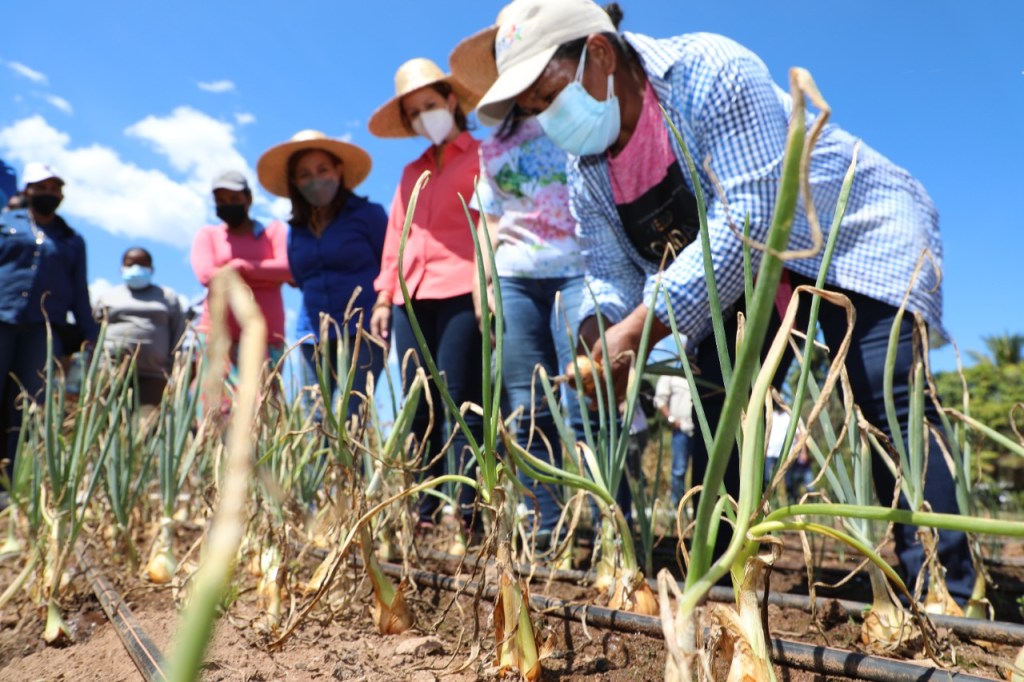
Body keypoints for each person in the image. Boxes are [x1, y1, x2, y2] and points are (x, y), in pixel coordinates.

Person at [473, 0, 974, 601]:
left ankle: (945, 588)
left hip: (849, 238)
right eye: (533, 109)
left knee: (884, 395)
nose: (545, 118)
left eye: (548, 95)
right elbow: (607, 273)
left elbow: (749, 220)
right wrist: (597, 332)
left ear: (599, 53)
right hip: (737, 279)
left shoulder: (707, 71)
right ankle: (728, 577)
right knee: (721, 410)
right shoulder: (588, 172)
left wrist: (637, 331)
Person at [449, 15, 597, 542]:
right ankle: (546, 531)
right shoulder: (493, 145)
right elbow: (488, 223)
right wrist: (483, 286)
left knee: (587, 398)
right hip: (514, 278)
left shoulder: (584, 120)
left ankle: (609, 528)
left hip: (579, 274)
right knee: (526, 404)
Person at [367, 58, 483, 529]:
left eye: (429, 105)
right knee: (417, 402)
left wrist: (486, 284)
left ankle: (469, 508)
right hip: (409, 298)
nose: (423, 117)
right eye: (414, 113)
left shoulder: (482, 157)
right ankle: (425, 508)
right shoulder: (410, 171)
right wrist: (383, 296)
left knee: (460, 399)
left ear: (451, 101)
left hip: (462, 289)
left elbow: (490, 222)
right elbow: (397, 235)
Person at [257, 130, 386, 420]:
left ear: (338, 170)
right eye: (304, 174)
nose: (315, 179)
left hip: (362, 332)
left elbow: (389, 264)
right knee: (315, 416)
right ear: (295, 182)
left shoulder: (369, 215)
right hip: (312, 334)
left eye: (322, 170)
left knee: (352, 414)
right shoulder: (296, 232)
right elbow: (300, 278)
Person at [0, 162, 98, 486]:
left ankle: (14, 484)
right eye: (42, 187)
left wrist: (90, 333)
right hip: (2, 319)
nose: (49, 193)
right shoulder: (5, 222)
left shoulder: (71, 239)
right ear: (27, 190)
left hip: (43, 332)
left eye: (55, 188)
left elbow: (79, 291)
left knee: (29, 405)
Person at [190, 171, 291, 383]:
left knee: (264, 399)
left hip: (267, 338)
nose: (228, 204)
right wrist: (265, 276)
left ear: (249, 199)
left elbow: (287, 269)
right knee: (216, 402)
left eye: (234, 198)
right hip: (217, 337)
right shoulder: (208, 235)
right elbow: (206, 275)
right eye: (221, 201)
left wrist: (240, 267)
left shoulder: (273, 231)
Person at [93, 247, 186, 407]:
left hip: (154, 374)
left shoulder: (167, 297)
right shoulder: (107, 297)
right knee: (106, 417)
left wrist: (175, 370)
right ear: (122, 268)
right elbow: (93, 330)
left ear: (151, 268)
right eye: (130, 264)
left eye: (142, 264)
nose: (136, 268)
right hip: (110, 371)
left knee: (147, 420)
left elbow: (178, 333)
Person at [653, 374, 694, 508]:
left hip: (700, 429)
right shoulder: (671, 374)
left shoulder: (698, 370)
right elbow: (659, 400)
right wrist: (671, 420)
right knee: (679, 470)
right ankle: (678, 508)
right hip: (681, 429)